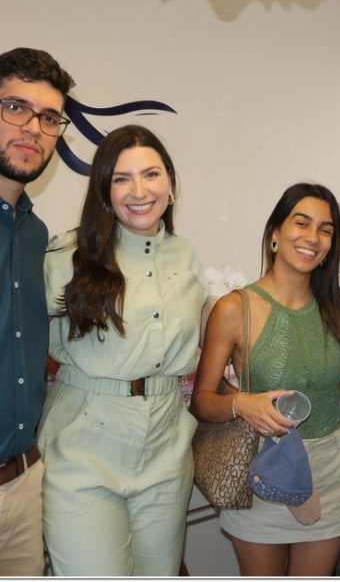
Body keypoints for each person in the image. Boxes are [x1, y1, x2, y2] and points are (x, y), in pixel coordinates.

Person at [37, 125, 210, 576]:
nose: (139, 190)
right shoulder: (67, 256)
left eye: (151, 174)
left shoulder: (186, 256)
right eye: (121, 178)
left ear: (170, 182)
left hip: (166, 449)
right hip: (84, 448)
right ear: (104, 190)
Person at [190, 182, 340, 576]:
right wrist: (241, 404)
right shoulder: (235, 308)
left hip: (329, 468)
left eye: (326, 229)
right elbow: (202, 401)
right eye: (302, 223)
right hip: (263, 468)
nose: (313, 237)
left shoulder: (338, 304)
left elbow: (329, 383)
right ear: (275, 232)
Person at [0, 47, 75, 576]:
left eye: (49, 117)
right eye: (15, 107)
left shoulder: (35, 233)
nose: (33, 128)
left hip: (23, 485)